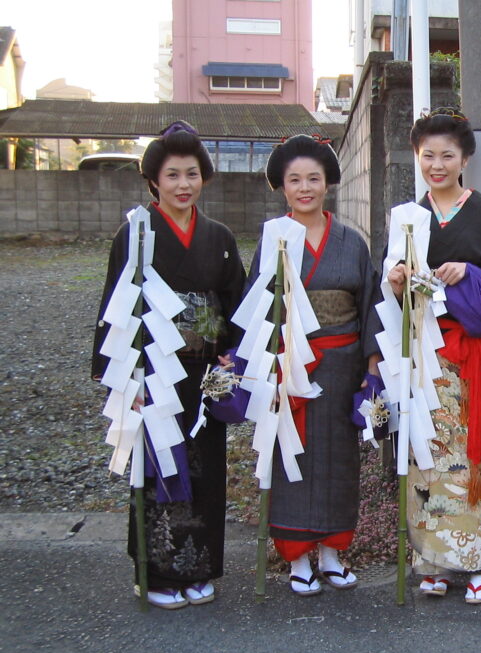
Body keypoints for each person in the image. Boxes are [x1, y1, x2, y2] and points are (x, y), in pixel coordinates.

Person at [92, 121, 246, 609]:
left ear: (205, 178)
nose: (184, 184)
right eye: (173, 175)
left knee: (206, 470)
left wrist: (234, 354)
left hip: (204, 375)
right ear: (153, 180)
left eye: (192, 174)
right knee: (159, 466)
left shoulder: (219, 237)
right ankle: (156, 573)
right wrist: (125, 379)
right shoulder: (135, 234)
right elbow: (117, 305)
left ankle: (199, 568)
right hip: (154, 371)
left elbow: (235, 302)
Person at [385, 108, 481, 604]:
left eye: (448, 155)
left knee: (470, 459)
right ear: (416, 158)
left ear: (465, 159)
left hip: (469, 360)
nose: (437, 165)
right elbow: (394, 292)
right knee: (425, 459)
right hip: (423, 357)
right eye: (428, 156)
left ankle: (477, 562)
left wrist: (472, 274)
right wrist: (395, 282)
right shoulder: (408, 218)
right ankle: (432, 563)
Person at [252, 134, 383, 596]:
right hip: (290, 364)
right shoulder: (273, 239)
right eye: (294, 180)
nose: (304, 188)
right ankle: (296, 556)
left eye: (313, 178)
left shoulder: (352, 243)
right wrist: (265, 363)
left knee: (338, 460)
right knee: (292, 455)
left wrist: (371, 370)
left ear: (327, 183)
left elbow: (370, 307)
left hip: (341, 364)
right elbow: (256, 307)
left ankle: (332, 552)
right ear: (282, 187)